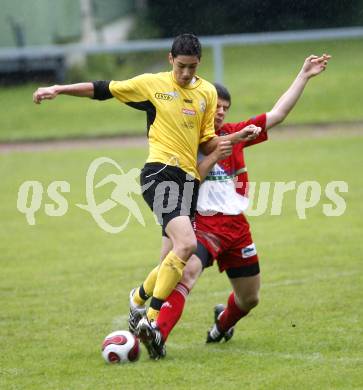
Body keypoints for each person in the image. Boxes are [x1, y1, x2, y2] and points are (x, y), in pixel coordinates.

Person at [32, 34, 259, 356]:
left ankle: (138, 299)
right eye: (180, 66)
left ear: (200, 64)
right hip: (159, 174)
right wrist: (59, 89)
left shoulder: (207, 92)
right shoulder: (152, 84)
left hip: (189, 182)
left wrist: (235, 137)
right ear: (170, 60)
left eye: (191, 67)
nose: (184, 73)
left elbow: (207, 142)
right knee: (186, 245)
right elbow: (102, 88)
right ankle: (150, 319)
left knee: (174, 256)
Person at [129, 53, 331, 359]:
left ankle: (221, 326)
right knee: (187, 273)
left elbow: (276, 115)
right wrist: (213, 155)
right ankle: (157, 334)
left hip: (237, 227)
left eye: (226, 108)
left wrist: (303, 74)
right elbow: (185, 180)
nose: (221, 112)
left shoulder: (234, 134)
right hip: (203, 224)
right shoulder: (186, 138)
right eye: (216, 106)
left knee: (249, 298)